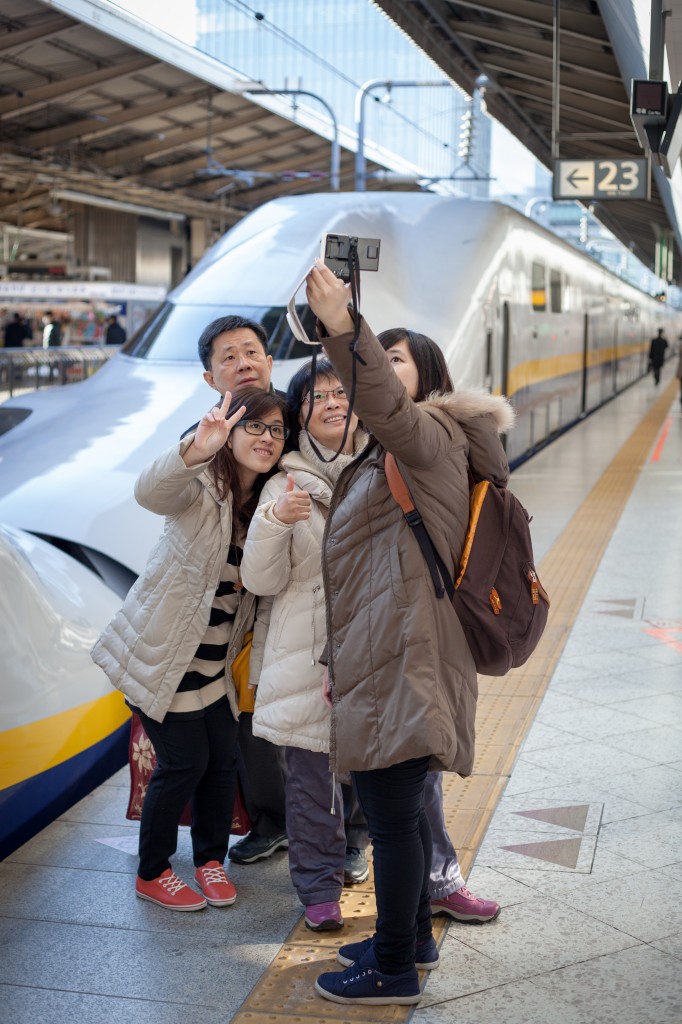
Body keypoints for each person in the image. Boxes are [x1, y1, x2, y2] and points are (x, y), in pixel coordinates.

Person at [306, 261, 514, 1007]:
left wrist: (342, 326)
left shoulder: (427, 436)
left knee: (392, 819)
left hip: (407, 657)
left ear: (424, 380)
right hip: (393, 651)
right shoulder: (396, 450)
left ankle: (391, 968)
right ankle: (414, 938)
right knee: (404, 811)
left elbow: (387, 405)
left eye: (395, 358)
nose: (378, 369)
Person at [91, 386, 289, 911]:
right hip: (164, 657)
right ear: (232, 433)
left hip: (215, 666)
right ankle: (152, 871)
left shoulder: (266, 506)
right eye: (255, 426)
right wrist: (196, 449)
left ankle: (208, 860)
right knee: (185, 763)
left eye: (277, 430)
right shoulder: (202, 485)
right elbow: (150, 493)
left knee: (222, 762)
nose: (267, 438)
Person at [241, 359, 372, 931]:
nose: (335, 402)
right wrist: (273, 521)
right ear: (301, 413)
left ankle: (367, 853)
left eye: (342, 391)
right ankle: (318, 888)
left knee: (378, 768)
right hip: (304, 651)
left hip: (371, 644)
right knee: (311, 778)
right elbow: (261, 582)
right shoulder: (283, 484)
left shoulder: (380, 467)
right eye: (319, 396)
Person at [196, 315, 289, 864]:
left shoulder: (293, 418)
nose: (243, 363)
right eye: (228, 357)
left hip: (295, 594)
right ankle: (270, 819)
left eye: (251, 352)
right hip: (234, 608)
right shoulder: (202, 437)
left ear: (270, 363)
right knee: (250, 719)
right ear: (212, 378)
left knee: (319, 714)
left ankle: (350, 831)